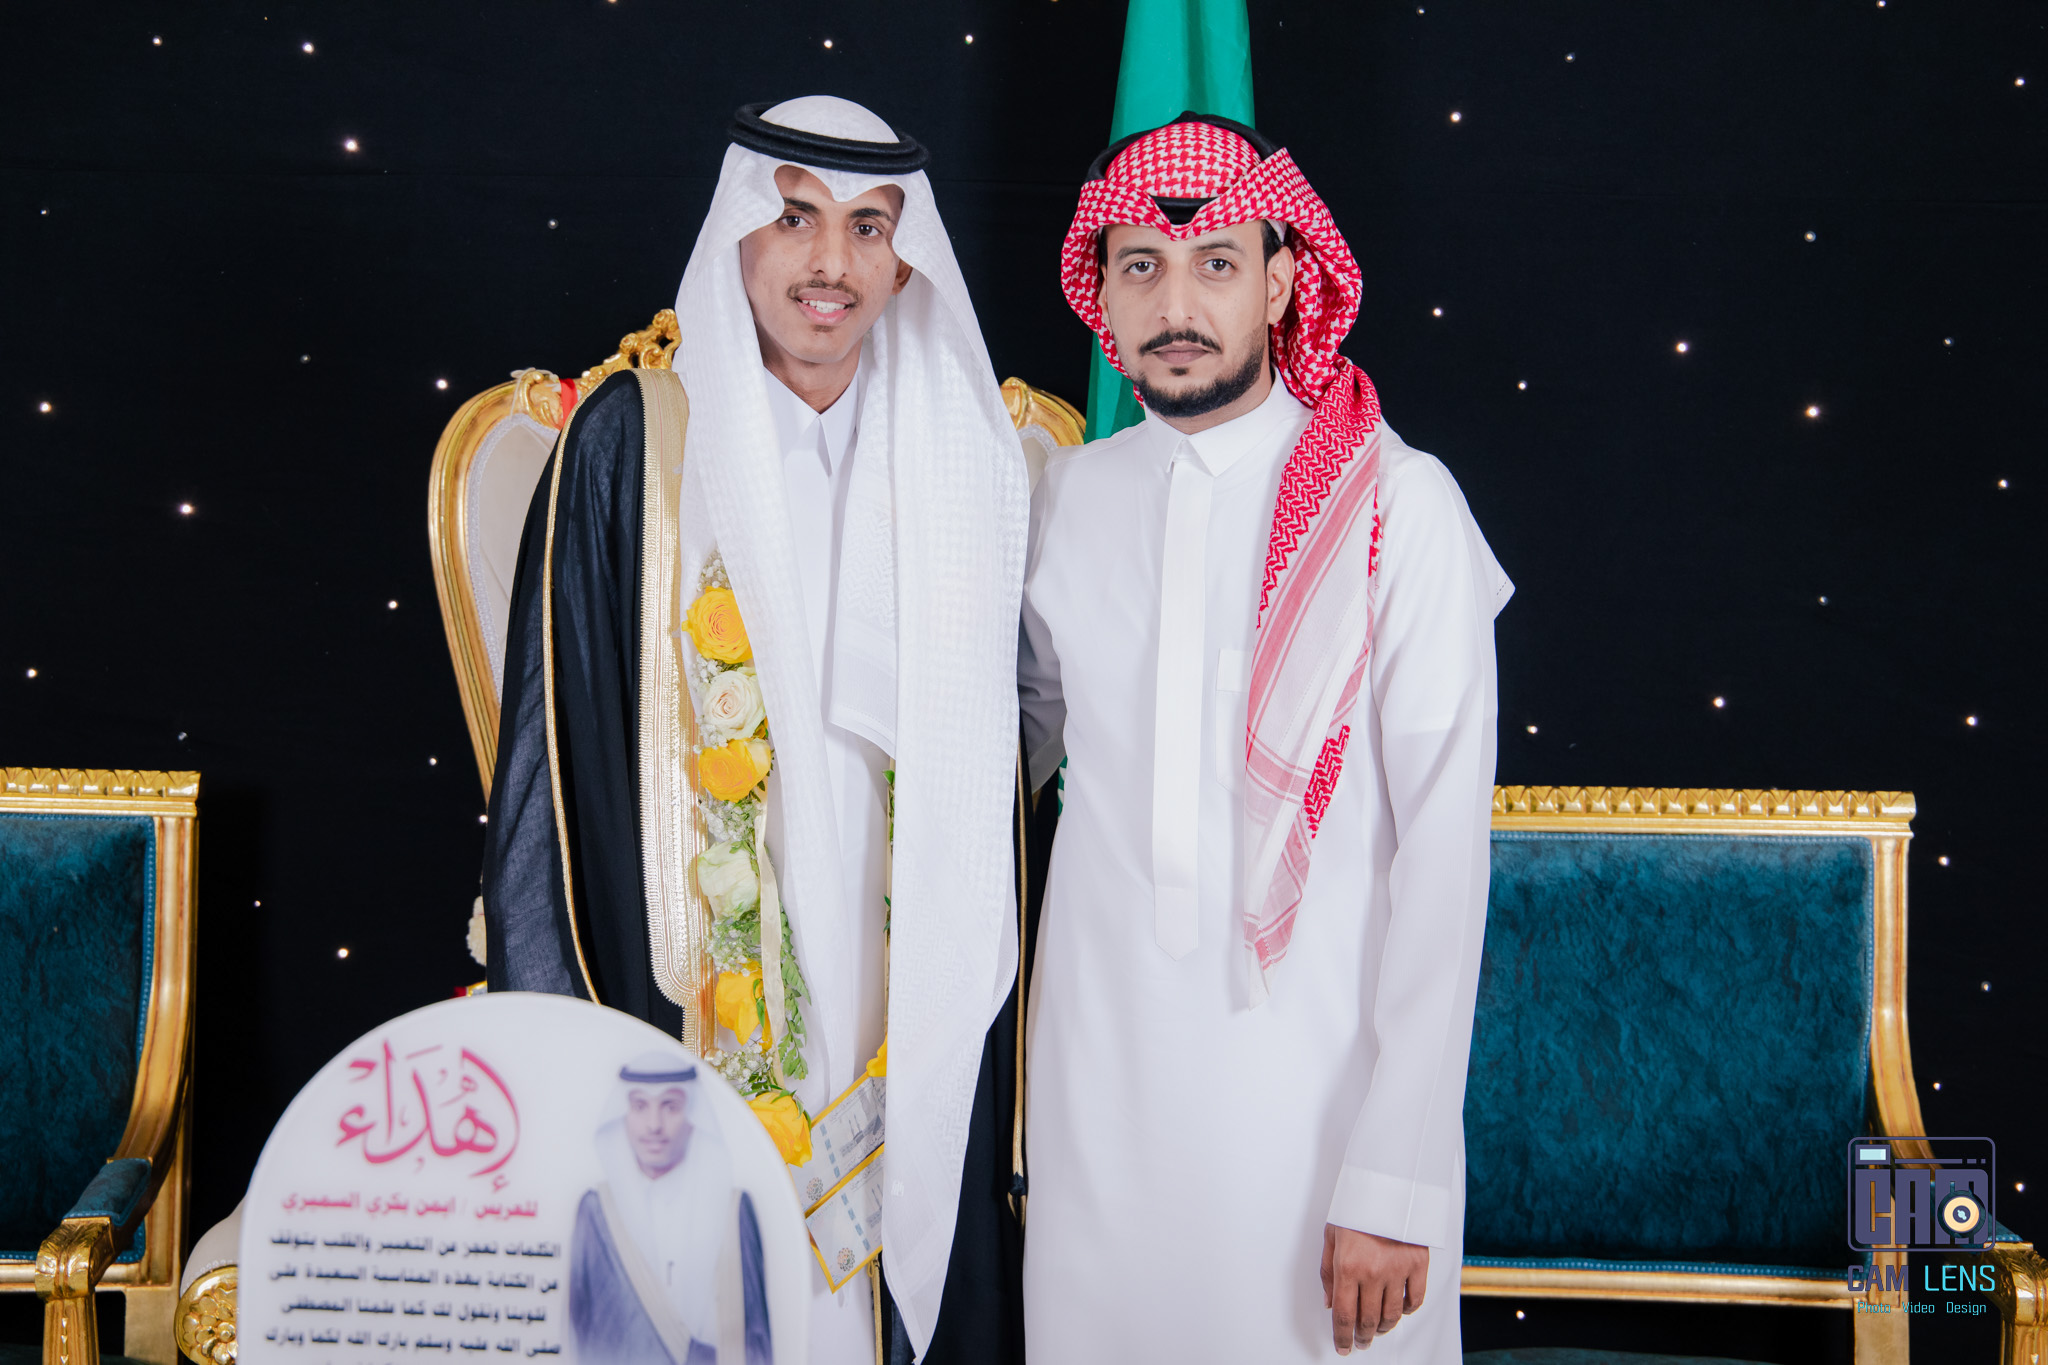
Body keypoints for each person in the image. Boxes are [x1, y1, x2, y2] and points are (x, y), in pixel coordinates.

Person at [482, 97, 1029, 1364]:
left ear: (906, 261)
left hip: (903, 945)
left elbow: (1004, 761)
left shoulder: (961, 453)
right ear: (738, 230)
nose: (830, 262)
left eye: (868, 227)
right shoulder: (635, 439)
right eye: (793, 219)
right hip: (698, 963)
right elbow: (553, 752)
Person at [1017, 113, 1512, 1362]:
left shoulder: (1395, 501)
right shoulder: (1067, 499)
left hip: (1319, 1118)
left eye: (1216, 264)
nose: (1176, 305)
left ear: (1284, 282)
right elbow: (997, 758)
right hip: (1097, 1101)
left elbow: (1443, 864)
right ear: (1099, 291)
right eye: (1141, 266)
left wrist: (1396, 1174)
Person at [572, 1056, 772, 1365]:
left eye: (671, 1106)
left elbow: (759, 1345)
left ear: (693, 1115)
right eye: (640, 1106)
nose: (654, 1125)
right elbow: (579, 1334)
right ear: (624, 1115)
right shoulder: (597, 1211)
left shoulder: (733, 1211)